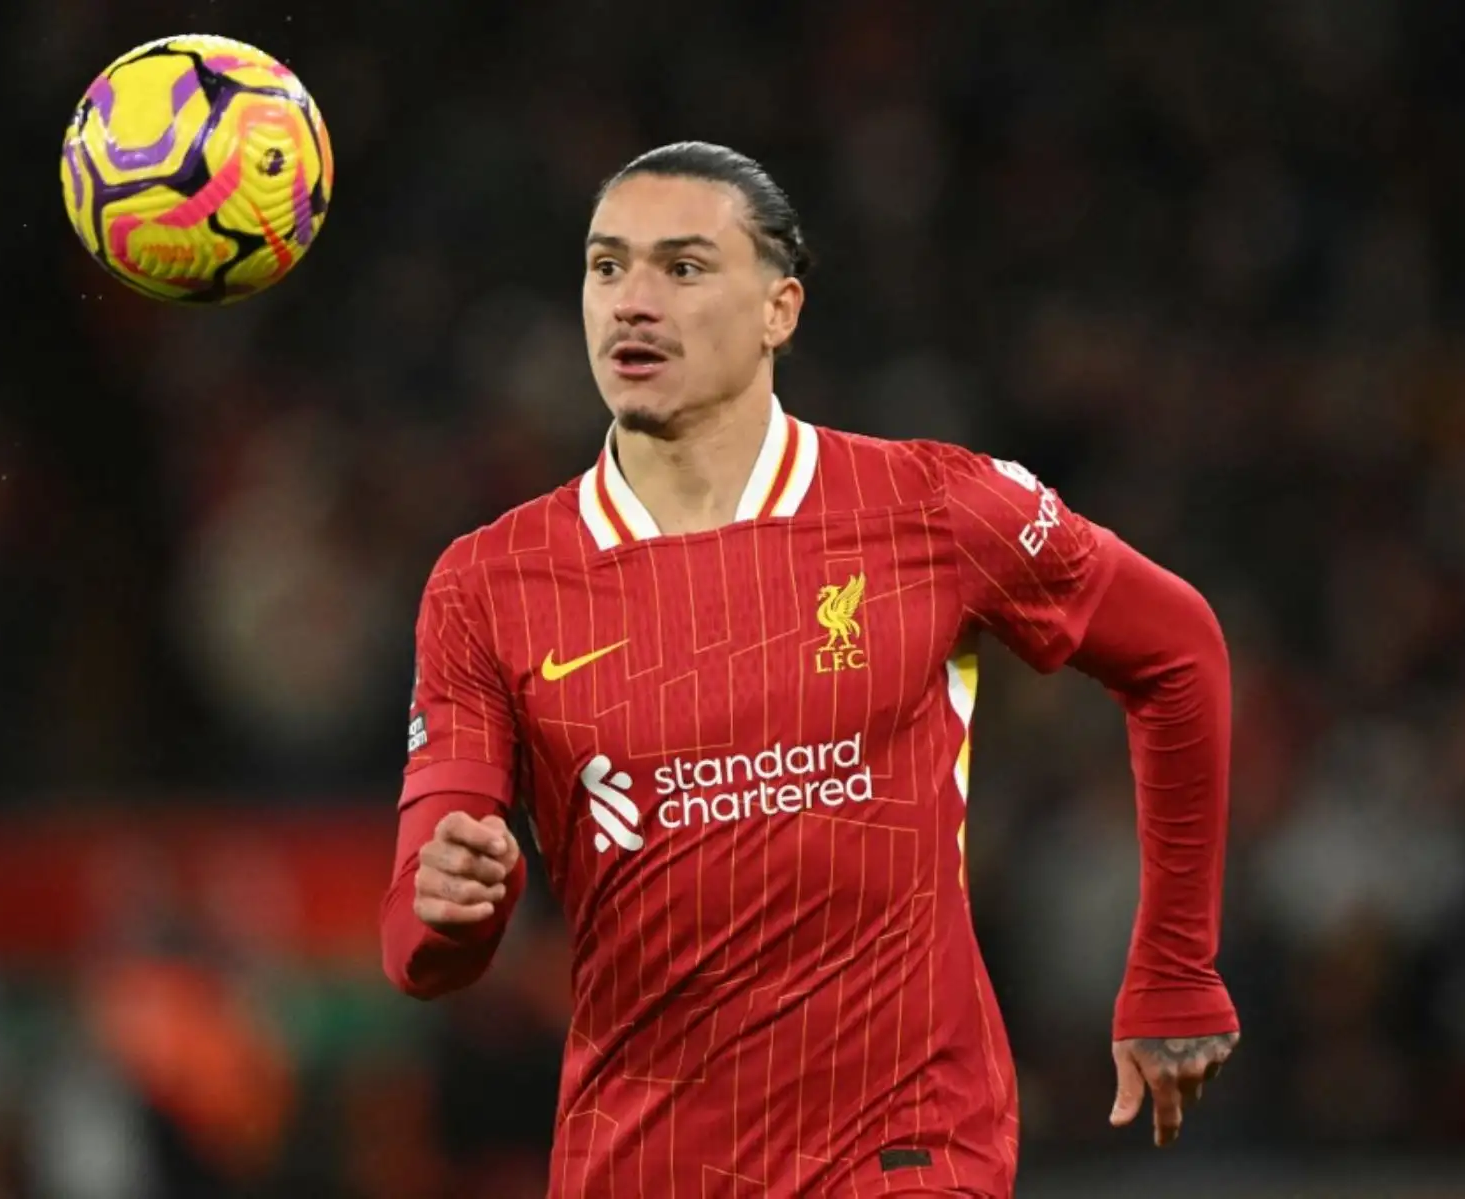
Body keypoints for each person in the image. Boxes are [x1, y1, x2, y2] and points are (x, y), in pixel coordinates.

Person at [379, 141, 1238, 1198]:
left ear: (780, 308)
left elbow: (1179, 650)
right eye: (607, 267)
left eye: (683, 267)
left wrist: (1174, 965)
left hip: (906, 1143)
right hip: (643, 1155)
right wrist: (449, 906)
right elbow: (417, 944)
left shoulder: (928, 506)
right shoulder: (490, 581)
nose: (632, 303)